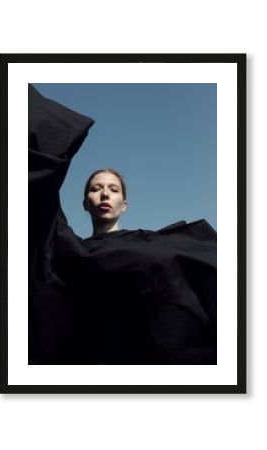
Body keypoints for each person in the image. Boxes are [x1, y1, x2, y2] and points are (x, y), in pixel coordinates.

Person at [28, 84, 217, 365]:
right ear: (84, 203)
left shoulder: (152, 246)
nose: (105, 194)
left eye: (113, 189)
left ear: (124, 204)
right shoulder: (62, 252)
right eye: (96, 189)